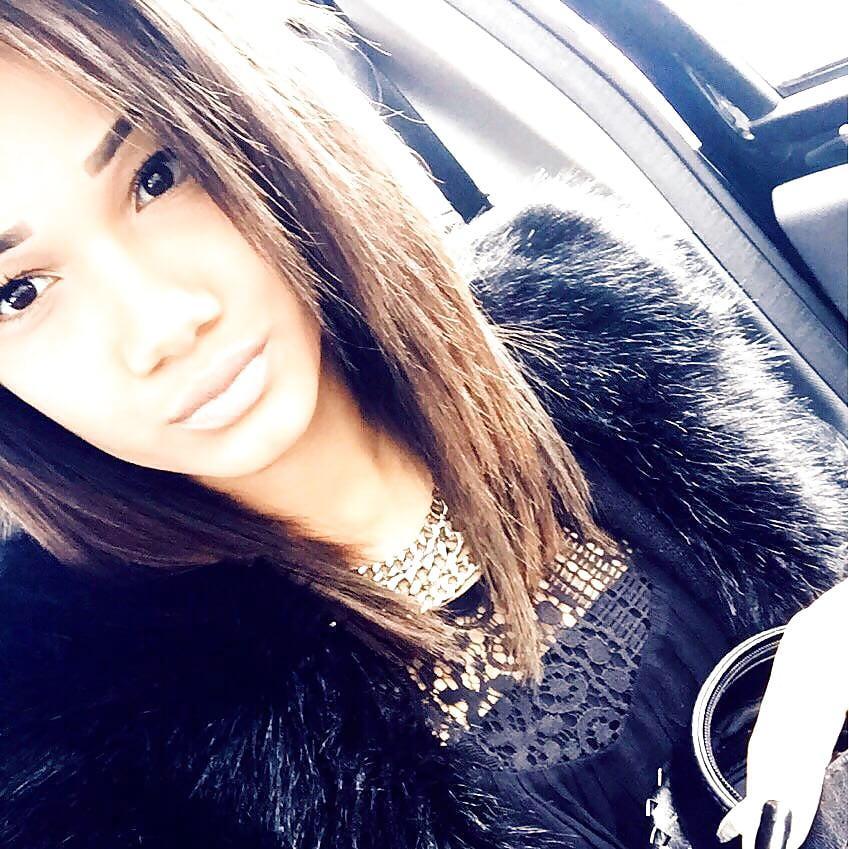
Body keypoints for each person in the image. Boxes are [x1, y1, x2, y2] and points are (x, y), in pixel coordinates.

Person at [0, 2, 845, 848]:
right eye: (18, 292)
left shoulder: (592, 310)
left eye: (158, 176)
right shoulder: (59, 731)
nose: (164, 323)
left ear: (253, 132)